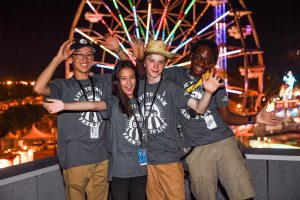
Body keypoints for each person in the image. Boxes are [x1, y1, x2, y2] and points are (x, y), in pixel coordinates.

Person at [158, 39, 282, 200]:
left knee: (241, 193)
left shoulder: (217, 82)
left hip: (223, 142)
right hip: (196, 148)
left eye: (208, 60)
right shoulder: (175, 75)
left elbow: (226, 116)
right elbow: (148, 74)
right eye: (198, 57)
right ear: (191, 55)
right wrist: (137, 57)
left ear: (213, 63)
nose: (201, 63)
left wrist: (254, 118)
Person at [33, 34, 127, 200]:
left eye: (89, 55)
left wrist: (118, 50)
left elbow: (131, 74)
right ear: (71, 59)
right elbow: (38, 88)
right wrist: (57, 58)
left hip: (102, 158)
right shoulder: (62, 86)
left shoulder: (103, 81)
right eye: (80, 55)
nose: (85, 59)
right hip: (75, 159)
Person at [43, 61, 148, 200]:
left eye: (132, 77)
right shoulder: (113, 102)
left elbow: (142, 73)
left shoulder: (142, 98)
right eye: (123, 78)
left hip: (141, 167)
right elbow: (92, 105)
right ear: (117, 81)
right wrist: (65, 106)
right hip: (119, 169)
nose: (129, 82)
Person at [136, 39, 224, 200]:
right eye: (152, 61)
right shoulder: (136, 87)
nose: (156, 66)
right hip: (146, 161)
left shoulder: (172, 88)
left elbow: (199, 108)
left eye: (161, 62)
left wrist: (209, 93)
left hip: (169, 160)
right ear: (145, 62)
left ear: (165, 65)